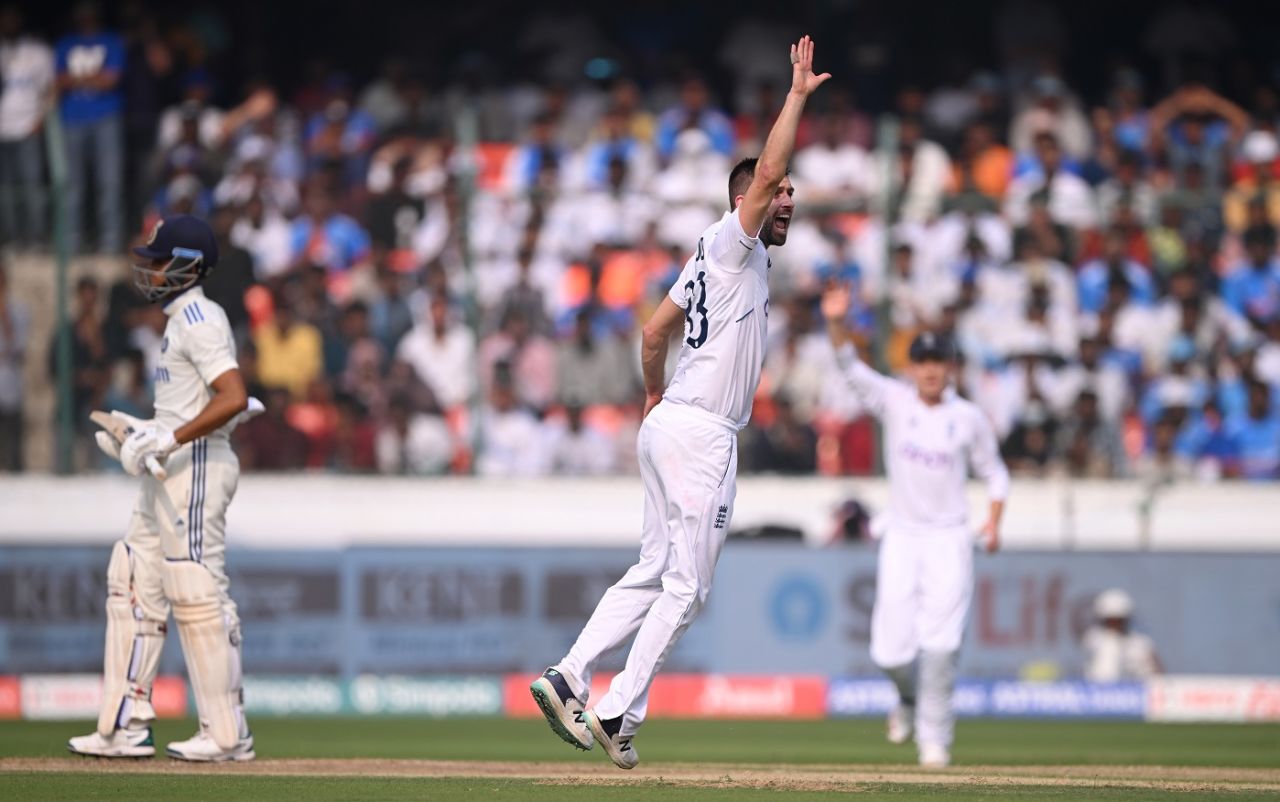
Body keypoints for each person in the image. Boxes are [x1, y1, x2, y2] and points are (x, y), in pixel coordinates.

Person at [529, 36, 829, 771]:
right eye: (777, 193)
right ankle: (616, 711)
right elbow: (765, 171)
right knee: (688, 589)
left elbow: (656, 328)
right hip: (701, 434)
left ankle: (571, 672)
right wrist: (794, 98)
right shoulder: (733, 242)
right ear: (746, 200)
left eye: (790, 194)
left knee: (652, 568)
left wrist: (654, 394)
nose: (785, 198)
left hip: (671, 421)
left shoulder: (715, 258)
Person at [68, 214, 258, 761]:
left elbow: (233, 396)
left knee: (195, 589)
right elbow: (188, 406)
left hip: (195, 465)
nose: (147, 269)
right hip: (170, 466)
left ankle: (226, 734)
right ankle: (122, 725)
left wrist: (168, 438)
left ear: (185, 266)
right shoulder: (177, 320)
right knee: (130, 577)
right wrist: (142, 434)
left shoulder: (199, 317)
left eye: (157, 259)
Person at [821, 284, 1009, 768]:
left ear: (950, 369)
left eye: (937, 362)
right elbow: (849, 366)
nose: (929, 370)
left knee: (941, 647)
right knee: (889, 653)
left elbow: (995, 474)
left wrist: (992, 524)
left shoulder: (968, 418)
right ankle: (906, 699)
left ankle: (935, 743)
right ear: (912, 367)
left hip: (950, 537)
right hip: (902, 535)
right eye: (921, 361)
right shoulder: (895, 400)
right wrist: (837, 321)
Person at [55, 1, 125, 253]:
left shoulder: (111, 41)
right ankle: (71, 242)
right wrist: (93, 77)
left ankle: (110, 242)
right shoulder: (66, 43)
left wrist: (76, 79)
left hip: (105, 118)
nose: (85, 16)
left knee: (109, 182)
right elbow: (58, 80)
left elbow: (111, 79)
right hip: (72, 119)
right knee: (72, 185)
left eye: (89, 12)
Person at [0, 5, 54, 249]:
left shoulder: (37, 52)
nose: (8, 23)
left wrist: (41, 119)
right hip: (2, 130)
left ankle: (35, 238)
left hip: (27, 128)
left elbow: (50, 89)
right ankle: (12, 237)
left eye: (12, 19)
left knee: (31, 186)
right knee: (6, 190)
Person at [1082, 589, 1161, 681]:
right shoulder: (1092, 640)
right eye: (1110, 621)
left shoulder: (1141, 643)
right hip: (1098, 691)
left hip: (1134, 690)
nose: (1114, 625)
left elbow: (1157, 675)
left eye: (1119, 620)